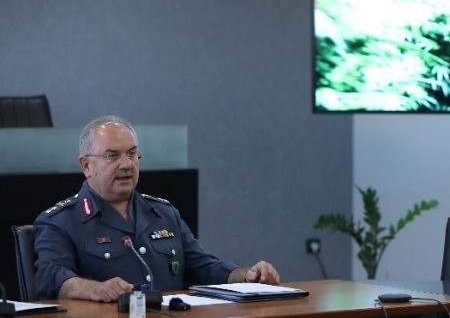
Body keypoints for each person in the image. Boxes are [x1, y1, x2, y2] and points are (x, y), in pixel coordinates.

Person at [33, 115, 279, 301]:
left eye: (132, 154)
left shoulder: (163, 213)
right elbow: (49, 276)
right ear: (86, 165)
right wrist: (94, 289)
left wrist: (246, 276)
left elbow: (203, 267)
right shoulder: (60, 221)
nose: (126, 164)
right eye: (112, 156)